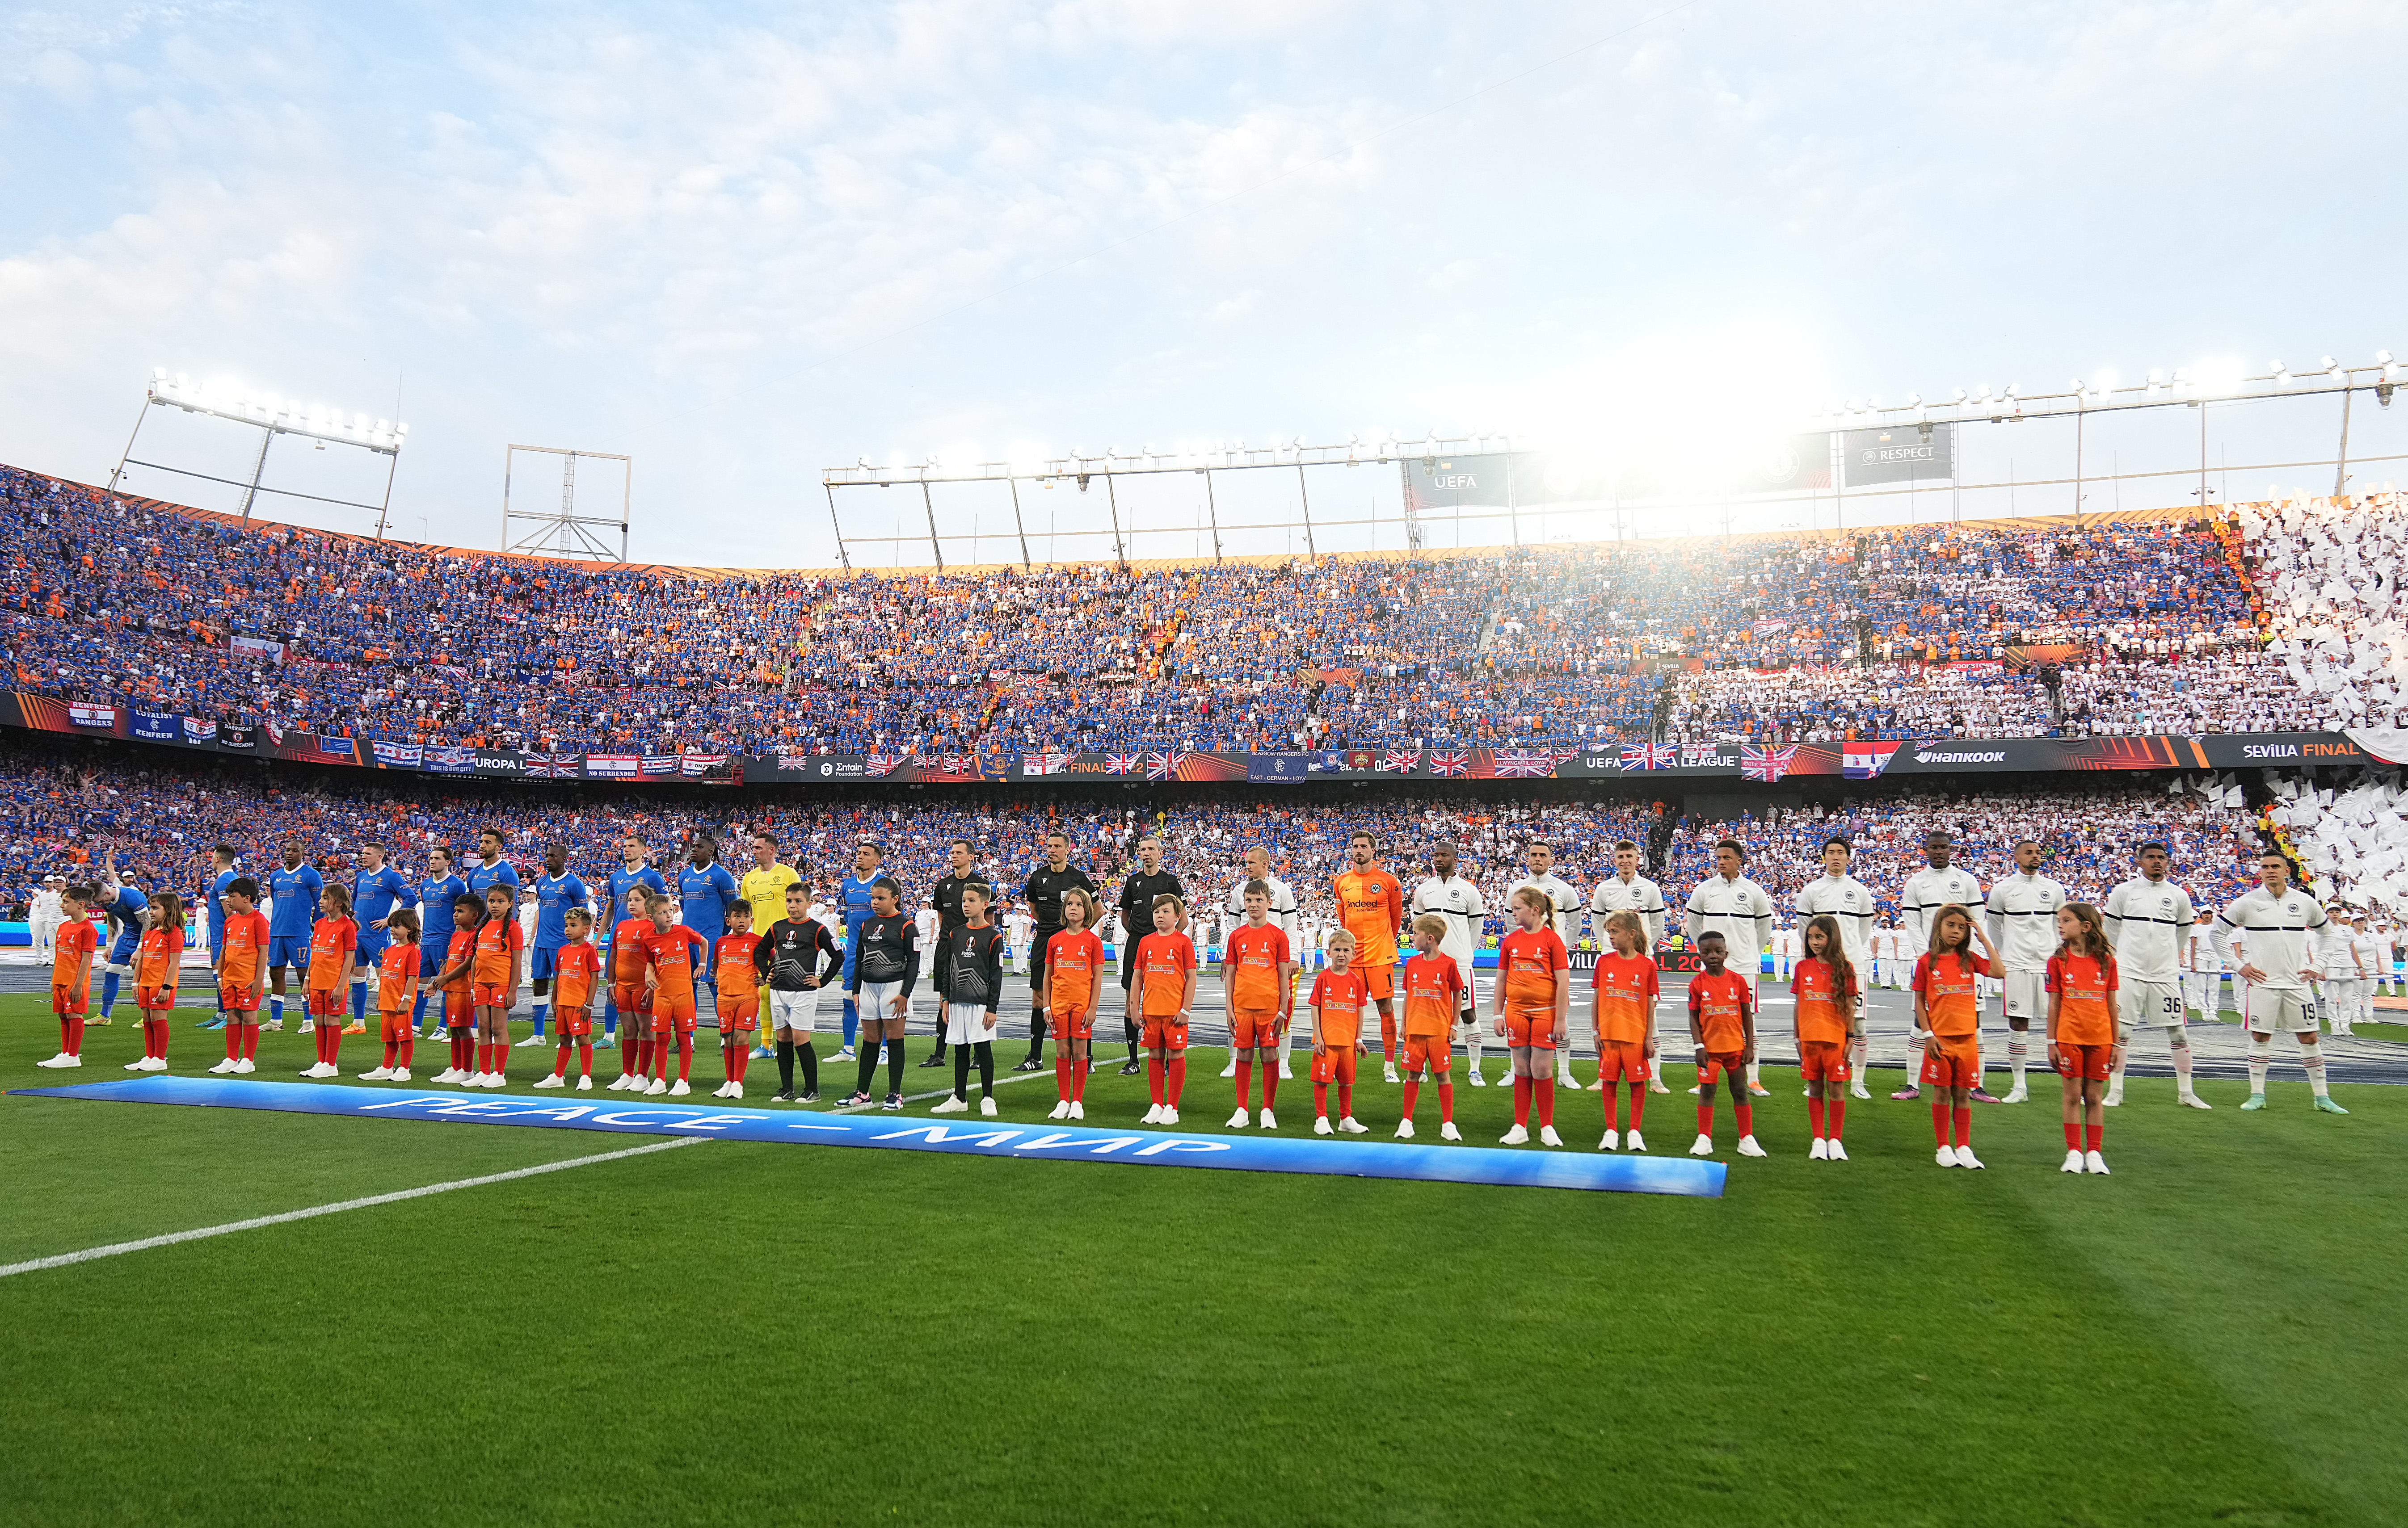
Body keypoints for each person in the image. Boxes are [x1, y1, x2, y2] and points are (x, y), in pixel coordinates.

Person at [2212, 852, 2348, 1115]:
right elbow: (2218, 934)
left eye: (2276, 866)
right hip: (2263, 983)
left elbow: (2327, 935)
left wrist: (2318, 966)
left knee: (2309, 1037)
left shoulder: (2304, 902)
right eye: (2265, 867)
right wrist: (2239, 966)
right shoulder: (2247, 902)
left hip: (2298, 983)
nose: (2270, 870)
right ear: (2260, 872)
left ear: (2287, 871)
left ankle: (2322, 1098)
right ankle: (2257, 1095)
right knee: (2261, 1035)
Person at [2101, 843, 2209, 1109]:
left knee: (2178, 1032)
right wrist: (2117, 960)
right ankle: (2116, 1091)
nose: (2157, 862)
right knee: (2122, 1031)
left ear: (2168, 862)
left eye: (2161, 858)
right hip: (2128, 971)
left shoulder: (2179, 896)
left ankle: (2186, 1093)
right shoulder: (2124, 892)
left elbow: (2182, 933)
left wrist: (2170, 957)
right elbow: (2111, 930)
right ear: (2140, 862)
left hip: (2165, 974)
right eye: (2151, 858)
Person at [1894, 830, 1985, 1101]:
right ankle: (1912, 1084)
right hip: (1931, 962)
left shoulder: (1966, 881)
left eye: (1943, 847)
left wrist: (1961, 956)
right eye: (1933, 847)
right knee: (1919, 1018)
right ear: (1926, 849)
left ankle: (1976, 1084)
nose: (1938, 852)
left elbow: (1976, 920)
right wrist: (1930, 957)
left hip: (1962, 963)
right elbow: (1912, 924)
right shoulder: (1916, 883)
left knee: (1974, 1021)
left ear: (1950, 849)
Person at [1912, 904, 2002, 1168]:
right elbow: (1919, 1001)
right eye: (1951, 925)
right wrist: (1928, 1035)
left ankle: (1964, 1147)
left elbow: (1999, 971)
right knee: (1942, 1095)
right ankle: (1943, 1147)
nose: (1956, 931)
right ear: (1939, 926)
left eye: (1962, 928)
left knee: (1963, 1096)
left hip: (1967, 1040)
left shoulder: (1969, 959)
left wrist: (1983, 937)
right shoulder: (1927, 962)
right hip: (1940, 1041)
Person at [1683, 837, 1774, 1096]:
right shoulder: (1703, 890)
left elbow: (1763, 930)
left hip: (1744, 966)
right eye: (1719, 858)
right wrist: (1707, 953)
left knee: (1749, 1019)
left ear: (1739, 860)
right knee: (1707, 1017)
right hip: (1712, 968)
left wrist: (1749, 952)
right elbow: (1693, 925)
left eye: (1726, 858)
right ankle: (1704, 1078)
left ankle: (1753, 1079)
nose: (1721, 862)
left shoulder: (1755, 891)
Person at [1983, 838, 2068, 1105]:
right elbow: (1995, 926)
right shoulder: (2003, 889)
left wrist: (2057, 952)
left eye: (2038, 853)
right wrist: (2004, 953)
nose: (2035, 856)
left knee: (2063, 1022)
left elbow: (2060, 924)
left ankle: (2071, 1081)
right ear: (2016, 857)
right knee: (2019, 1022)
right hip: (2017, 964)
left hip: (2048, 963)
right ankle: (2019, 1085)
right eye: (2029, 853)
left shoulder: (2053, 889)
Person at [1793, 836, 1877, 1101]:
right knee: (1818, 1024)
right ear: (1824, 857)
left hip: (1853, 966)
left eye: (1841, 852)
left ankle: (1858, 1081)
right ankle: (1814, 1078)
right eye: (1831, 853)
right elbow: (1805, 930)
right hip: (1821, 969)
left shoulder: (1861, 892)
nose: (1836, 857)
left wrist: (1847, 954)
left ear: (1849, 858)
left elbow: (1862, 932)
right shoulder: (1811, 891)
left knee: (1859, 1025)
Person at [2047, 903, 2121, 1175]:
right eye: (2059, 921)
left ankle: (2095, 1153)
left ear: (2086, 926)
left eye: (2066, 921)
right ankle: (2074, 1152)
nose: (2060, 925)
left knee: (2094, 1097)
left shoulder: (2107, 961)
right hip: (2069, 1038)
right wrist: (2051, 1042)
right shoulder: (2058, 961)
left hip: (2101, 1039)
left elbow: (2112, 1005)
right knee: (2072, 1096)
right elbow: (2054, 1005)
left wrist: (2115, 1043)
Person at [1493, 885, 1570, 1147]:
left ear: (1535, 911)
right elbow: (1501, 979)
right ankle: (1520, 1127)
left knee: (1542, 1069)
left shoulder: (1552, 941)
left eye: (1517, 908)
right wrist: (1497, 1014)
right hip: (1515, 1013)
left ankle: (1547, 1127)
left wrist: (1561, 1019)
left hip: (1545, 1013)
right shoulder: (1511, 941)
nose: (1512, 913)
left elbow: (1563, 982)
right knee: (1522, 1069)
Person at [1507, 839, 1584, 1096]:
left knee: (1558, 1016)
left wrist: (1562, 948)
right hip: (1524, 960)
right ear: (1527, 858)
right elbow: (1510, 923)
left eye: (1543, 855)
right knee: (1518, 1013)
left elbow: (1575, 923)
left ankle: (1564, 1071)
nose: (1538, 859)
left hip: (1552, 960)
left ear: (1551, 859)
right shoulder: (1516, 889)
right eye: (1533, 855)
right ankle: (1514, 1070)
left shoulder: (1564, 889)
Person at [1413, 841, 1491, 1086]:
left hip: (1460, 962)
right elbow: (1419, 927)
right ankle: (1421, 1067)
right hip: (1430, 962)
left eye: (1444, 855)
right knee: (1426, 1014)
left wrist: (1465, 951)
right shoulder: (1424, 890)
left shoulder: (1469, 891)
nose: (1438, 859)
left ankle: (1475, 1069)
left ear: (1455, 859)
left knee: (1468, 1013)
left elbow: (1475, 928)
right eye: (1435, 855)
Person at [1022, 830, 1101, 1075]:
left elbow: (1097, 910)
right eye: (1049, 846)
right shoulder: (1037, 878)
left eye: (1057, 846)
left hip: (1071, 941)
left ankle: (1086, 1057)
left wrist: (1077, 931)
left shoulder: (1079, 879)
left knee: (1079, 999)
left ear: (1068, 849)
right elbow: (1034, 910)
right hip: (1045, 940)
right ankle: (1035, 1056)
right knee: (1039, 999)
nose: (1051, 850)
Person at [1220, 879, 1294, 1129]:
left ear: (1269, 903)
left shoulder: (1278, 936)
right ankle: (1242, 1109)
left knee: (1270, 1054)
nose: (1253, 905)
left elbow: (1283, 975)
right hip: (1241, 1007)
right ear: (1244, 903)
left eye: (1259, 900)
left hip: (1269, 1007)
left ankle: (1267, 1110)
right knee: (1243, 1054)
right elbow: (1230, 974)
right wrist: (1229, 1007)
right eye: (1249, 901)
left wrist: (1283, 1009)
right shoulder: (1236, 936)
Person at [758, 883, 842, 1104]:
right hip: (778, 991)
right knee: (783, 1038)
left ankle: (812, 1090)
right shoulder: (777, 927)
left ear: (809, 903)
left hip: (803, 993)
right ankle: (787, 1089)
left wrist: (822, 982)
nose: (793, 906)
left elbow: (838, 957)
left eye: (798, 901)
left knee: (800, 1040)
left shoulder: (818, 929)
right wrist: (766, 973)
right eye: (789, 901)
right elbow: (760, 950)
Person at [1213, 844, 1290, 1082]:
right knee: (1238, 1007)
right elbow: (1232, 925)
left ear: (1265, 864)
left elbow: (1291, 924)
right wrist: (1228, 958)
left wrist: (1294, 956)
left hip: (1275, 954)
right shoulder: (1238, 891)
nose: (1247, 867)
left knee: (1283, 1009)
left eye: (1251, 863)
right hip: (1244, 952)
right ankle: (1233, 1061)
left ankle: (1284, 1064)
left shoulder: (1283, 890)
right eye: (1246, 863)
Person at [1336, 831, 1408, 1084]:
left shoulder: (1389, 881)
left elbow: (1396, 918)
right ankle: (1347, 1062)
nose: (1359, 850)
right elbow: (1344, 920)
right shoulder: (1341, 881)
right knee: (1350, 1010)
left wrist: (1385, 941)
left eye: (1363, 847)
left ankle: (1389, 1066)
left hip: (1380, 957)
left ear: (1373, 851)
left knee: (1385, 1008)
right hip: (1353, 959)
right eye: (1355, 846)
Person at [1685, 931, 1764, 1159]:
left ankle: (1747, 1138)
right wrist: (1698, 1046)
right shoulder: (1697, 984)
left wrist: (1749, 1047)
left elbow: (1747, 1016)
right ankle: (1704, 1138)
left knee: (1740, 1091)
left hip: (1735, 1049)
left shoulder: (1738, 981)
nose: (1713, 956)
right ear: (1699, 955)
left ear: (1726, 953)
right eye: (1707, 952)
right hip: (1709, 1052)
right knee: (1708, 1091)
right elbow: (1693, 1017)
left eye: (1718, 951)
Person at [930, 882, 1007, 1117]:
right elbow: (947, 969)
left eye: (971, 901)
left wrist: (992, 1007)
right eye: (964, 900)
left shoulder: (994, 936)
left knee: (983, 1050)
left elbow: (997, 975)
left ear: (985, 904)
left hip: (981, 1003)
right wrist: (945, 1000)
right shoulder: (956, 933)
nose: (966, 905)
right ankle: (960, 1097)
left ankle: (988, 1098)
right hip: (957, 1002)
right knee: (960, 1050)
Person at [843, 877, 917, 1109]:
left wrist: (905, 994)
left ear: (895, 899)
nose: (875, 902)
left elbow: (914, 962)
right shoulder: (867, 924)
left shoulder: (907, 926)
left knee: (894, 1041)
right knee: (870, 1041)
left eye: (880, 898)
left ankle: (895, 1094)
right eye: (873, 898)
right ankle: (862, 1092)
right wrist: (856, 991)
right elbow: (858, 959)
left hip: (894, 987)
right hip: (868, 988)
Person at [1790, 913, 1860, 1162]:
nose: (1814, 942)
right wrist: (1797, 1037)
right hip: (1809, 1039)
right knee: (1815, 1088)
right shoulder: (1802, 967)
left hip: (1836, 1039)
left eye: (1820, 936)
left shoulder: (1845, 969)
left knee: (1837, 1089)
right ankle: (1818, 1139)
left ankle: (1836, 1140)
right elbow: (1799, 1004)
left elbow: (1850, 1006)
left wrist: (1850, 1035)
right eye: (1810, 937)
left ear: (1832, 938)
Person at [1591, 909, 1658, 1152]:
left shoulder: (1647, 965)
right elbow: (1597, 999)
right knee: (1609, 1082)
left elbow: (1651, 1004)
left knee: (1637, 1084)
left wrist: (1649, 1037)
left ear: (1632, 934)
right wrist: (1595, 1032)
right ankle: (1611, 1130)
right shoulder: (1604, 962)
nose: (1611, 937)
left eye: (1615, 932)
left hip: (1635, 1036)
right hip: (1609, 1035)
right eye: (1609, 932)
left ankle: (1634, 1131)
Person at [922, 839, 994, 1069]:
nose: (953, 856)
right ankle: (940, 1053)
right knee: (944, 1000)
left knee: (975, 996)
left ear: (971, 856)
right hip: (947, 945)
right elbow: (942, 916)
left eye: (959, 853)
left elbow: (989, 921)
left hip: (974, 945)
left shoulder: (981, 884)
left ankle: (977, 1054)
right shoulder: (943, 885)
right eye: (952, 852)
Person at [1395, 913, 1467, 1141]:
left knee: (1443, 1077)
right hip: (1415, 1031)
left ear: (1430, 938)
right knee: (1412, 1075)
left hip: (1439, 1031)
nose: (1411, 937)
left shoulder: (1449, 964)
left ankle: (1448, 1123)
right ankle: (1407, 1121)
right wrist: (1404, 1023)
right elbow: (1408, 996)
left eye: (1415, 933)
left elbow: (1458, 995)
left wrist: (1454, 1025)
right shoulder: (1413, 963)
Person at [1130, 893, 1199, 1125]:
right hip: (1151, 1010)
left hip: (1175, 1012)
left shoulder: (1183, 942)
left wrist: (1186, 1009)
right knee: (1155, 1055)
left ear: (1178, 916)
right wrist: (1134, 1007)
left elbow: (1191, 977)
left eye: (1166, 911)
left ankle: (1173, 1106)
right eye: (1157, 912)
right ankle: (1156, 1104)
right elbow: (1138, 976)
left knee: (1176, 1055)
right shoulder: (1146, 942)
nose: (1160, 916)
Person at [638, 887, 711, 1098]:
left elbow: (704, 942)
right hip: (662, 994)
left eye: (671, 910)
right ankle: (660, 1080)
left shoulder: (684, 931)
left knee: (683, 1036)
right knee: (661, 1037)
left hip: (684, 994)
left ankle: (683, 1081)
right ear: (652, 918)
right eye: (663, 913)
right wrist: (648, 973)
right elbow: (650, 961)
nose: (669, 915)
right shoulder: (648, 939)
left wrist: (703, 964)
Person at [1043, 888, 1107, 1120]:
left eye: (1079, 904)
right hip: (1058, 1005)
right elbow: (1048, 975)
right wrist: (1047, 1006)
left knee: (1080, 1053)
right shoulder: (1055, 940)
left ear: (1086, 910)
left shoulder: (1093, 941)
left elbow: (1098, 978)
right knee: (1062, 1052)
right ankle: (1063, 1101)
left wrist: (1093, 1008)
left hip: (1082, 1005)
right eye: (1070, 904)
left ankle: (1077, 1102)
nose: (1073, 908)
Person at [738, 832, 803, 1061]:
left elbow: (799, 905)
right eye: (753, 848)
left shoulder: (788, 873)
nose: (754, 851)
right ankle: (766, 1044)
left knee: (790, 992)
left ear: (772, 850)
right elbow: (747, 912)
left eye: (758, 847)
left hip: (786, 940)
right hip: (760, 942)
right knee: (763, 992)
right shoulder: (749, 879)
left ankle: (796, 1039)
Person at [522, 843, 590, 1050]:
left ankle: (570, 1034)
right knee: (539, 985)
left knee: (565, 990)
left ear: (563, 859)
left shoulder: (574, 884)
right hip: (542, 944)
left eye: (553, 856)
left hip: (563, 946)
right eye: (547, 855)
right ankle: (538, 1034)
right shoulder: (542, 883)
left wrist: (579, 941)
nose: (548, 859)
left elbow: (584, 915)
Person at [602, 837, 665, 1049]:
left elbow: (663, 907)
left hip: (644, 939)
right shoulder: (616, 877)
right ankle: (608, 1035)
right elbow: (610, 908)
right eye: (625, 846)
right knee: (614, 986)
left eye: (632, 846)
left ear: (643, 850)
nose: (626, 849)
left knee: (641, 987)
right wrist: (598, 936)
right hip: (619, 936)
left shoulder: (653, 877)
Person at [350, 841, 417, 1039]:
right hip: (359, 935)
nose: (363, 857)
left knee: (387, 978)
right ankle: (358, 1022)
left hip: (377, 935)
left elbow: (411, 898)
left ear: (380, 856)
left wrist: (390, 920)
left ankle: (397, 1019)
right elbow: (354, 903)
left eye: (368, 854)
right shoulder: (361, 877)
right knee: (357, 976)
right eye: (362, 853)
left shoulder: (391, 876)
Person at [205, 878, 269, 1075]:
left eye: (232, 897)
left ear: (247, 898)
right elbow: (224, 950)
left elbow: (263, 952)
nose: (229, 901)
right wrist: (221, 976)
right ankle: (231, 1058)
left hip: (248, 979)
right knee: (232, 1017)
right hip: (230, 978)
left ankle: (248, 1060)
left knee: (249, 1017)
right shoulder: (231, 921)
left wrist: (259, 979)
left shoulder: (259, 920)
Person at [1308, 930, 1369, 1135]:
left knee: (1346, 1081)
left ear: (1353, 954)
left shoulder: (1356, 981)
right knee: (1322, 1080)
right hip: (1327, 1041)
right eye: (1337, 950)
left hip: (1348, 1041)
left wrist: (1358, 1039)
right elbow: (1315, 1007)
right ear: (1329, 953)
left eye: (1346, 950)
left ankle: (1346, 1118)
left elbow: (1360, 1009)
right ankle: (1321, 1118)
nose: (1341, 954)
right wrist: (1318, 1036)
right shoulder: (1323, 978)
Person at [835, 840, 888, 1061]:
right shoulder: (848, 885)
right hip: (854, 954)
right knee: (849, 999)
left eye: (866, 854)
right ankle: (848, 1050)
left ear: (877, 861)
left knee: (881, 1003)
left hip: (879, 953)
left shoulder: (885, 884)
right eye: (858, 853)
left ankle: (884, 1050)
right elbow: (848, 918)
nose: (860, 856)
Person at [263, 839, 323, 1033]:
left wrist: (316, 926)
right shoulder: (276, 876)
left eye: (294, 851)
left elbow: (320, 903)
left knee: (303, 976)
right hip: (277, 932)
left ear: (302, 854)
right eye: (287, 850)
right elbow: (274, 899)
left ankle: (308, 1020)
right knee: (275, 974)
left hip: (300, 933)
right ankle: (276, 1020)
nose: (289, 853)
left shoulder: (311, 876)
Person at [300, 883, 359, 1078]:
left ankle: (331, 1064)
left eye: (326, 898)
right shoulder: (319, 924)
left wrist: (341, 985)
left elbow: (349, 958)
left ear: (339, 903)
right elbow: (314, 954)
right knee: (319, 1020)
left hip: (334, 982)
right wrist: (308, 979)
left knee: (331, 1020)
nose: (321, 901)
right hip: (317, 980)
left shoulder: (347, 926)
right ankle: (322, 1061)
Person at [35, 883, 97, 1069]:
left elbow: (87, 960)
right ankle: (65, 1053)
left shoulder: (88, 929)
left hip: (75, 981)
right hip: (60, 979)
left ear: (81, 904)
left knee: (74, 1015)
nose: (62, 906)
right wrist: (54, 980)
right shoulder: (63, 927)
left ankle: (73, 1055)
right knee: (63, 1016)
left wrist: (78, 985)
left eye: (65, 902)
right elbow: (60, 957)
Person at [469, 884, 524, 1089]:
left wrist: (513, 990)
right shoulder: (482, 927)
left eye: (501, 902)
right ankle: (484, 1071)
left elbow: (517, 961)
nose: (495, 905)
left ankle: (499, 1074)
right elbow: (476, 959)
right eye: (492, 901)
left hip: (501, 984)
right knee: (483, 1028)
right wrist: (473, 985)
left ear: (510, 904)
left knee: (498, 1027)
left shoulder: (513, 928)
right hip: (481, 984)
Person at [359, 907, 424, 1082]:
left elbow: (412, 978)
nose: (393, 929)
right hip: (388, 1001)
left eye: (397, 926)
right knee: (390, 1037)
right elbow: (385, 977)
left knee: (405, 1036)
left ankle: (404, 1068)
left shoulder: (412, 951)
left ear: (410, 928)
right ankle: (387, 1067)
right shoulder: (389, 950)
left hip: (401, 1002)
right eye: (392, 926)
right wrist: (381, 996)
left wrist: (406, 1000)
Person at [678, 834, 740, 1013]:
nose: (694, 850)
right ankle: (688, 1038)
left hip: (711, 938)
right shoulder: (684, 876)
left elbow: (731, 909)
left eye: (699, 847)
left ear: (711, 851)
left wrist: (719, 933)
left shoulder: (722, 876)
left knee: (716, 987)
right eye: (693, 846)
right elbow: (684, 906)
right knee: (688, 988)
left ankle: (725, 1037)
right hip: (687, 939)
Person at [125, 890, 185, 1072]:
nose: (151, 912)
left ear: (169, 910)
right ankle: (150, 1056)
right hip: (145, 982)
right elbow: (142, 960)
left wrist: (167, 987)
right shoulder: (150, 932)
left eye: (155, 908)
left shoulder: (174, 934)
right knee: (147, 1019)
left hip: (161, 984)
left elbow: (174, 963)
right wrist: (136, 982)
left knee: (159, 1020)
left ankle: (160, 1058)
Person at [412, 846, 469, 1039]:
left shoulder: (457, 885)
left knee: (446, 983)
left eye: (437, 858)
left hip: (446, 941)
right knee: (419, 983)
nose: (432, 862)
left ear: (448, 862)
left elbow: (462, 915)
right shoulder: (425, 885)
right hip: (426, 941)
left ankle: (443, 1026)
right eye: (430, 858)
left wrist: (456, 939)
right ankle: (415, 1025)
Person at [429, 893, 485, 1085]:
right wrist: (438, 980)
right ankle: (456, 1066)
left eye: (460, 911)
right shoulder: (456, 935)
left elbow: (468, 963)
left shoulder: (475, 935)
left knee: (464, 1029)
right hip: (451, 988)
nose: (455, 914)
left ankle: (467, 1070)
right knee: (454, 1029)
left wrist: (445, 978)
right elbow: (449, 960)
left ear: (474, 916)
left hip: (463, 989)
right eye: (455, 910)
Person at [709, 899, 762, 1099]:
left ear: (752, 920)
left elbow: (773, 959)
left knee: (741, 1037)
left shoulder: (757, 941)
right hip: (724, 997)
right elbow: (716, 962)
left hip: (748, 996)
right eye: (737, 916)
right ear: (728, 920)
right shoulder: (722, 942)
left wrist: (765, 977)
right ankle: (729, 1081)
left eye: (746, 917)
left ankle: (738, 1084)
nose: (742, 920)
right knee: (729, 1040)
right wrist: (717, 975)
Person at [94, 869, 148, 1028]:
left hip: (145, 938)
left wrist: (140, 949)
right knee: (111, 973)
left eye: (100, 901)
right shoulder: (106, 900)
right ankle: (105, 1016)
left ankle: (148, 1017)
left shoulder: (133, 897)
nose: (100, 905)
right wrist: (109, 946)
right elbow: (112, 922)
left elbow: (147, 923)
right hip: (127, 937)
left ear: (107, 892)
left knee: (144, 977)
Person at [202, 849, 240, 1031]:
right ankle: (221, 1013)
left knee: (222, 976)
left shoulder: (224, 880)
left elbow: (230, 911)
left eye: (212, 857)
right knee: (219, 975)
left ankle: (230, 1015)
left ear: (217, 859)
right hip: (219, 935)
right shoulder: (229, 879)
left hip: (223, 937)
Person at [29, 873, 65, 963]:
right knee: (38, 939)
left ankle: (51, 960)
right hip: (40, 918)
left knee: (52, 942)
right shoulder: (42, 894)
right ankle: (39, 958)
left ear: (53, 883)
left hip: (50, 919)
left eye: (50, 882)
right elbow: (40, 905)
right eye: (46, 882)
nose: (48, 884)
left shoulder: (57, 894)